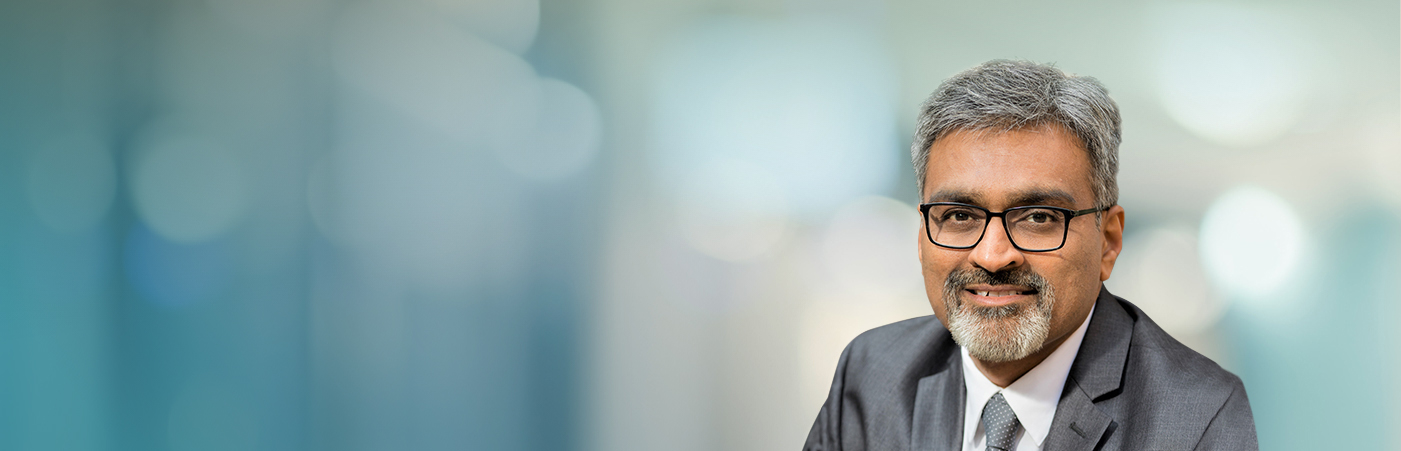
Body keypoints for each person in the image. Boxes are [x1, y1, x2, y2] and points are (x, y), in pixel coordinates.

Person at [803, 60, 1257, 451]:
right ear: (922, 238)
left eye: (1039, 217)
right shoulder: (872, 372)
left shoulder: (1198, 416)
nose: (993, 255)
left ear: (1108, 240)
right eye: (959, 215)